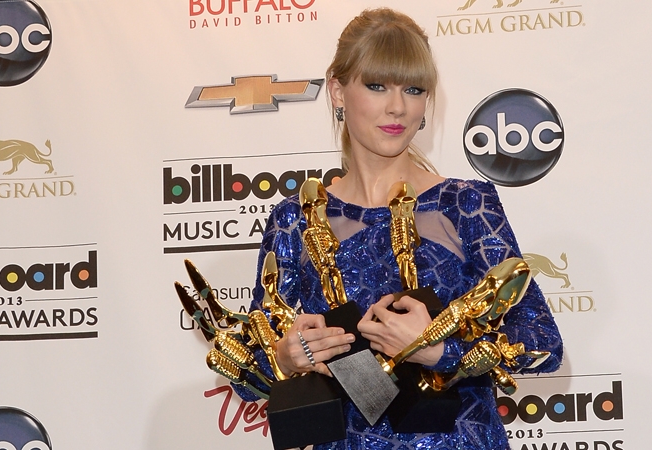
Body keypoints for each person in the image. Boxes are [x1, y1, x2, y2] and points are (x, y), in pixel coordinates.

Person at [234, 7, 563, 450]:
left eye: (414, 89)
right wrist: (284, 356)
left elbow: (541, 341)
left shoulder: (464, 204)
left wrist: (442, 351)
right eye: (376, 86)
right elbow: (247, 371)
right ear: (337, 90)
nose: (398, 107)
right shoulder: (294, 221)